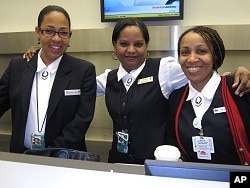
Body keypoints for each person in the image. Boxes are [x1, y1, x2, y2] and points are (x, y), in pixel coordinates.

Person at [23, 18, 250, 165]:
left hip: (157, 164)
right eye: (123, 44)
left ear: (146, 46)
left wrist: (238, 73)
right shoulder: (107, 79)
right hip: (119, 162)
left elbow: (201, 70)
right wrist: (46, 57)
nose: (131, 50)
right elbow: (67, 86)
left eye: (139, 44)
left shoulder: (165, 69)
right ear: (114, 47)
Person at [0, 5, 96, 154]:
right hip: (21, 158)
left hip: (64, 158)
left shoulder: (83, 71)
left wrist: (51, 153)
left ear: (70, 35)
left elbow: (82, 120)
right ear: (38, 32)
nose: (56, 38)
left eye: (63, 32)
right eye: (49, 31)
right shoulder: (17, 67)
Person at [167, 26, 250, 165]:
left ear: (215, 56)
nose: (191, 59)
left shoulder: (239, 89)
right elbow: (174, 143)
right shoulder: (176, 98)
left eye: (201, 51)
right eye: (185, 52)